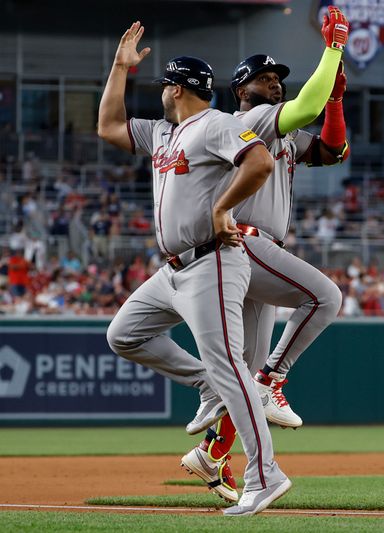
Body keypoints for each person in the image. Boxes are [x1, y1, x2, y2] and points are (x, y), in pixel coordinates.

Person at [97, 22, 284, 516]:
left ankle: (265, 475)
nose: (161, 91)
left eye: (163, 84)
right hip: (173, 270)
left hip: (213, 262)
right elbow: (109, 128)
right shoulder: (163, 131)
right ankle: (206, 385)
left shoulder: (218, 123)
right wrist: (119, 68)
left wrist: (223, 208)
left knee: (232, 367)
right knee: (124, 334)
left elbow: (260, 161)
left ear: (175, 88)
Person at [179, 6, 351, 513]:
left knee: (244, 370)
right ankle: (276, 382)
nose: (274, 83)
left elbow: (333, 150)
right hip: (245, 243)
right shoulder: (247, 120)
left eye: (278, 78)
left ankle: (212, 453)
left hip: (254, 254)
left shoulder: (278, 135)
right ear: (241, 90)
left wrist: (337, 101)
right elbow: (304, 108)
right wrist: (334, 50)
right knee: (325, 296)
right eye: (264, 77)